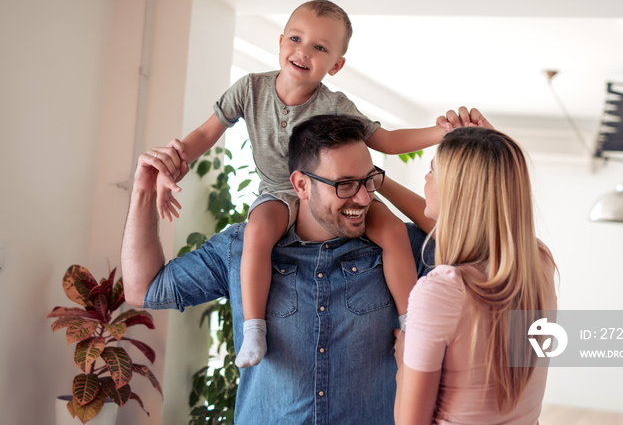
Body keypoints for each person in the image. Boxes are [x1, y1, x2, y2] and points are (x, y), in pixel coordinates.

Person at [122, 110, 490, 424]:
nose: (362, 198)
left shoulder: (401, 248)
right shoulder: (240, 248)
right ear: (300, 185)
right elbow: (144, 289)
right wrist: (142, 190)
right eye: (344, 185)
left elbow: (484, 252)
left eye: (368, 182)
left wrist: (485, 157)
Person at [155, 0, 452, 368]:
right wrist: (174, 163)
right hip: (278, 192)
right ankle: (254, 328)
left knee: (391, 228)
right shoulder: (250, 88)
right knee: (257, 233)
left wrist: (441, 133)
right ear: (280, 42)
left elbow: (387, 141)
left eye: (320, 47)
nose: (303, 51)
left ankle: (411, 321)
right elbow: (205, 132)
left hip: (335, 191)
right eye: (296, 38)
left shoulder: (336, 105)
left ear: (336, 65)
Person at [383, 126, 558, 424]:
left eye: (432, 171)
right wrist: (380, 181)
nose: (426, 179)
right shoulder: (538, 262)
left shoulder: (444, 290)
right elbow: (486, 215)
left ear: (456, 191)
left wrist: (402, 358)